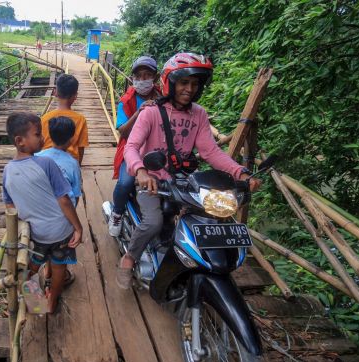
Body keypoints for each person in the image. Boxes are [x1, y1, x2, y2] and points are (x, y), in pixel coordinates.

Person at [116, 52, 262, 290]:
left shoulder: (199, 114)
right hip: (154, 182)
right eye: (184, 82)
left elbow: (211, 152)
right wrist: (141, 171)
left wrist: (240, 172)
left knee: (208, 219)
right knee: (153, 222)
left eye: (195, 84)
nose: (190, 89)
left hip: (185, 183)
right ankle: (129, 257)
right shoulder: (150, 112)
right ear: (171, 82)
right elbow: (131, 147)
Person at [2, 112, 83, 313]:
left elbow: (10, 206)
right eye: (37, 134)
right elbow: (64, 199)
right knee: (58, 266)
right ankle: (52, 301)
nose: (42, 138)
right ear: (20, 141)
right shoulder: (46, 164)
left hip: (36, 234)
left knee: (32, 265)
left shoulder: (7, 171)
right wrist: (78, 227)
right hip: (60, 231)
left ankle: (36, 304)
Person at [108, 56, 162, 237]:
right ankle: (116, 212)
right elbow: (122, 131)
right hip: (132, 151)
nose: (142, 80)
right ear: (133, 78)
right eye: (138, 76)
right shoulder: (127, 100)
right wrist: (140, 112)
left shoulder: (164, 97)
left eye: (147, 75)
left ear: (155, 77)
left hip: (158, 150)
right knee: (125, 182)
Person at [41, 74, 89, 164]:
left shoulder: (44, 118)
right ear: (75, 96)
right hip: (70, 162)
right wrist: (78, 166)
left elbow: (40, 144)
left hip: (47, 162)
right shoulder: (80, 120)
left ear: (55, 92)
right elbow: (81, 148)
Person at [36, 116, 82, 206]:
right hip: (63, 210)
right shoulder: (73, 163)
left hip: (40, 205)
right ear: (71, 139)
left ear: (50, 136)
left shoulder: (37, 156)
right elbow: (76, 194)